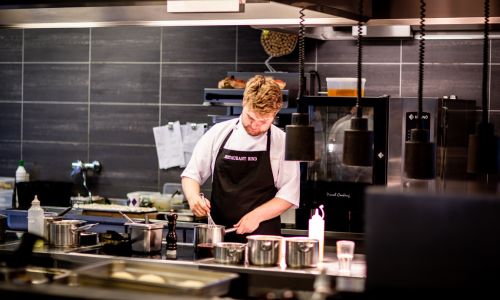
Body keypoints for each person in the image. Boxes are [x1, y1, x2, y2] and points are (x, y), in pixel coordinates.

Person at [181, 75, 300, 242]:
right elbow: (191, 175)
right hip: (219, 235)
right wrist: (193, 198)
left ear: (276, 112)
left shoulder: (282, 142)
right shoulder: (218, 133)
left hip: (263, 240)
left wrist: (257, 216)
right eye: (251, 117)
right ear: (244, 102)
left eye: (264, 121)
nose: (255, 125)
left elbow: (289, 195)